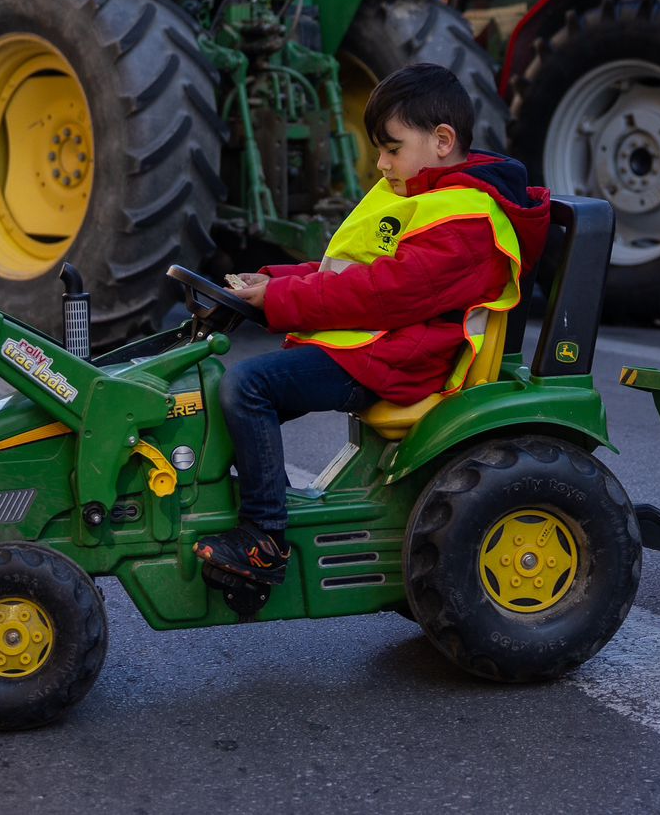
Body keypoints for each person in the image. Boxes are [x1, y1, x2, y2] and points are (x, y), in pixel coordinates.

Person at [191, 63, 551, 587]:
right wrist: (267, 279)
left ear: (443, 140)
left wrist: (280, 299)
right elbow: (352, 269)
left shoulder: (465, 220)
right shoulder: (424, 191)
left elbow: (382, 293)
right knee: (214, 386)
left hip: (401, 360)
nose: (380, 163)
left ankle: (264, 539)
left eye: (391, 148)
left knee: (248, 386)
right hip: (380, 345)